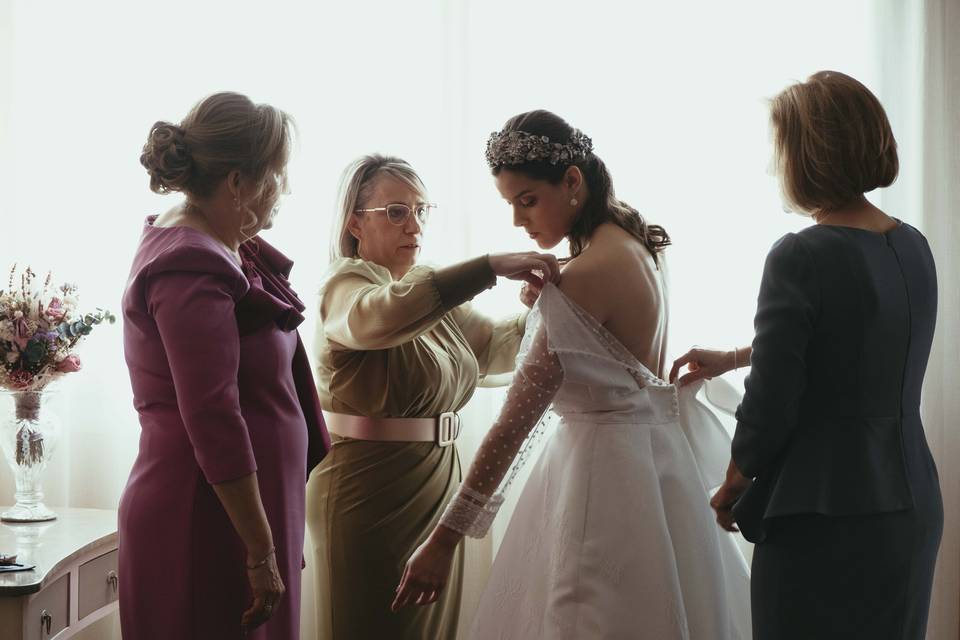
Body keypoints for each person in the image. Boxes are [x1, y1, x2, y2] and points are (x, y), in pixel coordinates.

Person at [394, 111, 751, 639]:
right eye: (510, 204)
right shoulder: (639, 242)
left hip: (601, 480)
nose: (519, 220)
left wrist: (443, 541)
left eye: (528, 200)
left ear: (572, 181)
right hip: (657, 470)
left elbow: (511, 426)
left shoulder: (584, 275)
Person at [672, 71, 943, 640]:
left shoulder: (801, 254)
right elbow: (861, 340)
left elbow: (773, 401)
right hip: (911, 500)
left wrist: (735, 480)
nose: (773, 168)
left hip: (824, 509)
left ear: (807, 154)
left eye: (779, 150)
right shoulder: (913, 244)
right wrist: (737, 356)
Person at [306, 154, 560, 639]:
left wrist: (545, 309)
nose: (415, 225)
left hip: (438, 484)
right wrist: (488, 267)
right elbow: (378, 318)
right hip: (368, 490)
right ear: (355, 222)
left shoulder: (428, 294)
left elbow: (496, 350)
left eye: (422, 211)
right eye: (397, 212)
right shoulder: (345, 284)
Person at [120, 92, 330, 640]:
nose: (285, 189)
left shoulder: (219, 242)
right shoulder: (189, 263)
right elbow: (213, 414)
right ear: (238, 181)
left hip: (244, 508)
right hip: (207, 516)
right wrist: (260, 550)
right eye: (278, 175)